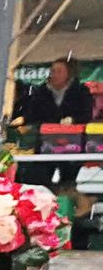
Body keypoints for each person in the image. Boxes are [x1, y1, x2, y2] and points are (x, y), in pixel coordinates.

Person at [14, 59, 95, 189]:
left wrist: (72, 120)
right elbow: (32, 115)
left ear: (69, 74)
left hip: (73, 145)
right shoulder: (41, 92)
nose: (54, 74)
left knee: (68, 182)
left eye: (59, 71)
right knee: (40, 180)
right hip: (45, 145)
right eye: (52, 71)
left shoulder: (81, 91)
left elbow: (86, 115)